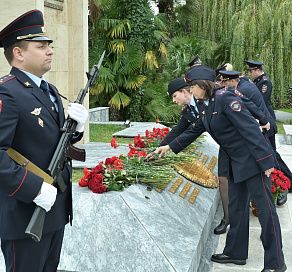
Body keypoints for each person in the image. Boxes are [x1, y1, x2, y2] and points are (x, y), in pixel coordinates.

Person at [153, 65, 287, 272]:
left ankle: (276, 264)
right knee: (236, 207)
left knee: (266, 213)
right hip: (235, 161)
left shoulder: (226, 99)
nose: (190, 91)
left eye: (192, 87)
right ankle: (235, 252)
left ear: (201, 86)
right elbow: (196, 128)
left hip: (252, 161)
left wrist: (266, 162)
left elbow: (250, 129)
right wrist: (169, 146)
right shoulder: (207, 103)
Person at [0, 10, 88, 271]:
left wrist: (76, 130)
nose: (50, 51)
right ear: (19, 53)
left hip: (55, 208)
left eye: (49, 46)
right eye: (41, 46)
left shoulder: (47, 89)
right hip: (25, 211)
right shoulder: (8, 91)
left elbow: (49, 141)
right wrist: (34, 188)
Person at [158, 77, 200, 147]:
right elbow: (178, 130)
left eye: (175, 96)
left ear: (184, 92)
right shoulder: (187, 110)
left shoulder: (203, 102)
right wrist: (158, 149)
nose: (173, 100)